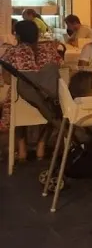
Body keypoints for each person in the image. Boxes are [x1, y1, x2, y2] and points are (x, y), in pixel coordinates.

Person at [0, 20, 62, 160]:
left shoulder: (12, 52)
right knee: (55, 104)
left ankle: (22, 148)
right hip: (46, 100)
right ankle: (41, 145)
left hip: (20, 101)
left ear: (18, 36)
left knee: (15, 97)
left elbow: (8, 80)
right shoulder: (50, 50)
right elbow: (60, 70)